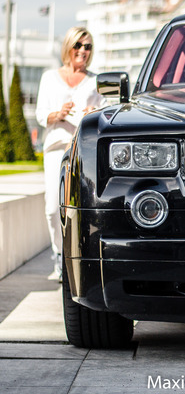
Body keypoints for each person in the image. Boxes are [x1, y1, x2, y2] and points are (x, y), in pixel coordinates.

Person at [35, 26, 105, 281]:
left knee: (83, 208)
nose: (83, 51)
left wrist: (92, 114)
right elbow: (42, 115)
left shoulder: (95, 80)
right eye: (78, 45)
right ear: (68, 47)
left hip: (82, 149)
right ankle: (58, 253)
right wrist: (60, 114)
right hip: (56, 147)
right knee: (53, 208)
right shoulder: (49, 78)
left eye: (87, 46)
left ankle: (79, 258)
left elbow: (106, 113)